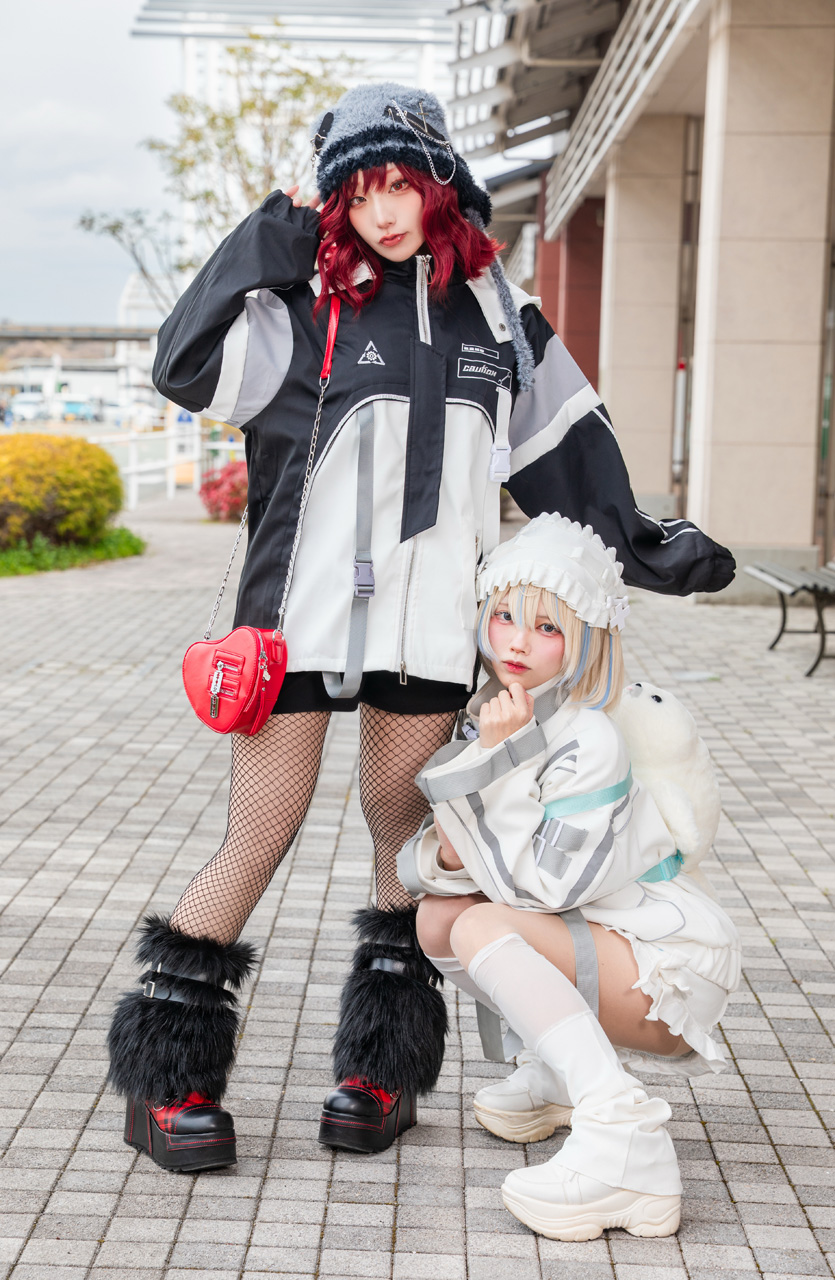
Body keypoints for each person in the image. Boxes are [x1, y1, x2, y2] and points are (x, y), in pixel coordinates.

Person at [106, 82, 735, 1172]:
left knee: (406, 837)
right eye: (357, 192)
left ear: (442, 184)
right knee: (261, 831)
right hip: (296, 625)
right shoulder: (302, 306)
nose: (382, 211)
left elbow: (568, 459)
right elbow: (181, 362)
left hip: (436, 629)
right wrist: (273, 232)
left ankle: (381, 1071)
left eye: (400, 184)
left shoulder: (498, 318)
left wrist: (647, 546)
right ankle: (166, 1080)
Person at [400, 513, 741, 1240]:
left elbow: (538, 892)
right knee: (438, 922)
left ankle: (625, 1141)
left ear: (587, 636)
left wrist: (494, 767)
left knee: (481, 924)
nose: (517, 642)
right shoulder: (500, 716)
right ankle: (559, 1073)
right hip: (604, 935)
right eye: (503, 616)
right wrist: (489, 759)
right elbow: (445, 870)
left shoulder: (589, 738)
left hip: (668, 964)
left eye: (547, 627)